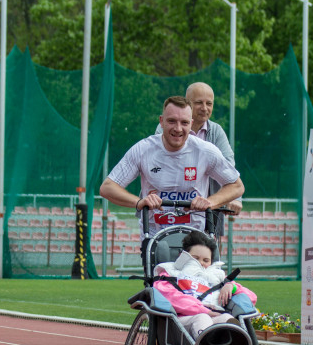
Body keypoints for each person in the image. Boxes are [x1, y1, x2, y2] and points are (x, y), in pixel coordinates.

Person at [100, 95, 244, 240]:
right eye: (172, 121)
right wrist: (139, 202)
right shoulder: (143, 150)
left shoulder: (205, 151)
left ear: (191, 123)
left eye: (184, 122)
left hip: (194, 240)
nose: (178, 128)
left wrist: (210, 202)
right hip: (154, 238)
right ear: (161, 121)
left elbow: (236, 186)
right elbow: (107, 187)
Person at [152, 230, 257, 345]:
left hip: (214, 319)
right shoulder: (169, 273)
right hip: (181, 324)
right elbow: (167, 295)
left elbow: (251, 297)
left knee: (228, 318)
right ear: (184, 257)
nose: (201, 263)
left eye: (206, 260)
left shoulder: (218, 277)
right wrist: (203, 311)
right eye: (196, 258)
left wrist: (230, 287)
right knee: (201, 317)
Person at [155, 83, 243, 230]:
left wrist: (235, 198)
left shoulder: (216, 131)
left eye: (209, 103)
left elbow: (228, 167)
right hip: (170, 206)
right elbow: (159, 161)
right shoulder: (165, 128)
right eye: (199, 103)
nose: (204, 108)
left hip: (206, 209)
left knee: (208, 251)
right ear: (187, 104)